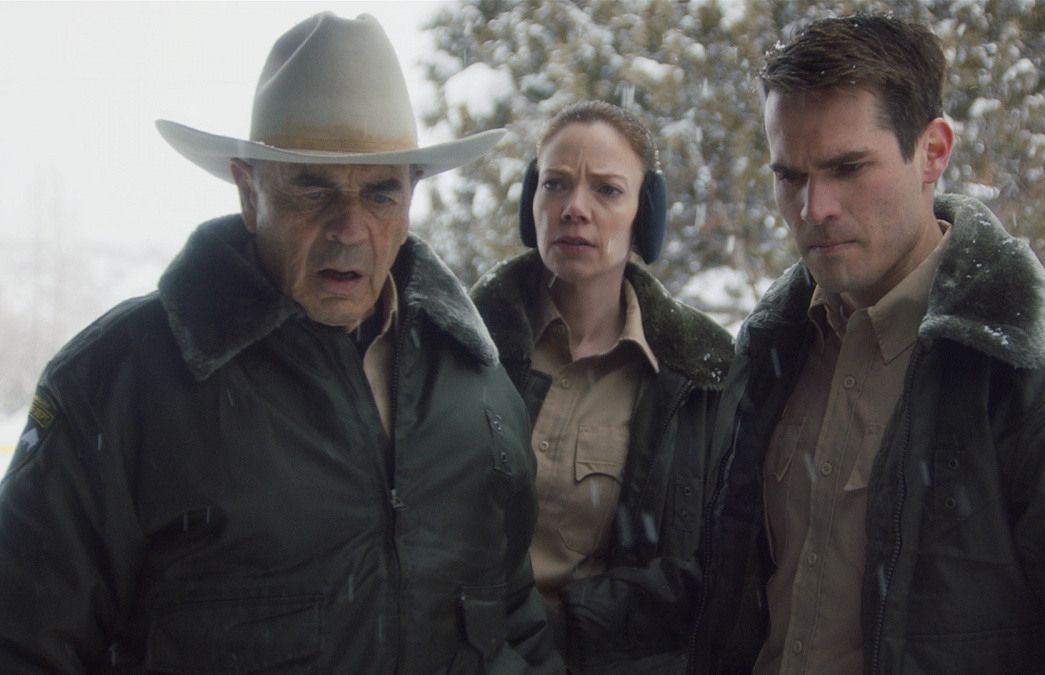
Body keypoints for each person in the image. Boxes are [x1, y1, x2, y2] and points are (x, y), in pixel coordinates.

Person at [0, 13, 562, 673]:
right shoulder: (117, 384)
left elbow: (513, 619)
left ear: (411, 197)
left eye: (380, 193)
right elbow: (24, 643)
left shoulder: (477, 381)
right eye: (312, 187)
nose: (349, 227)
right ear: (249, 191)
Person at [689, 14, 1045, 674]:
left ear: (932, 152)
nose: (814, 207)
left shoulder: (1017, 365)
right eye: (789, 176)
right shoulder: (769, 347)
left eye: (847, 168)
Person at [470, 101, 734, 673]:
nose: (574, 208)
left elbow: (704, 570)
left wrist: (572, 630)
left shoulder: (700, 379)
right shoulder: (461, 345)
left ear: (646, 213)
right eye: (555, 184)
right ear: (530, 201)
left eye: (607, 190)